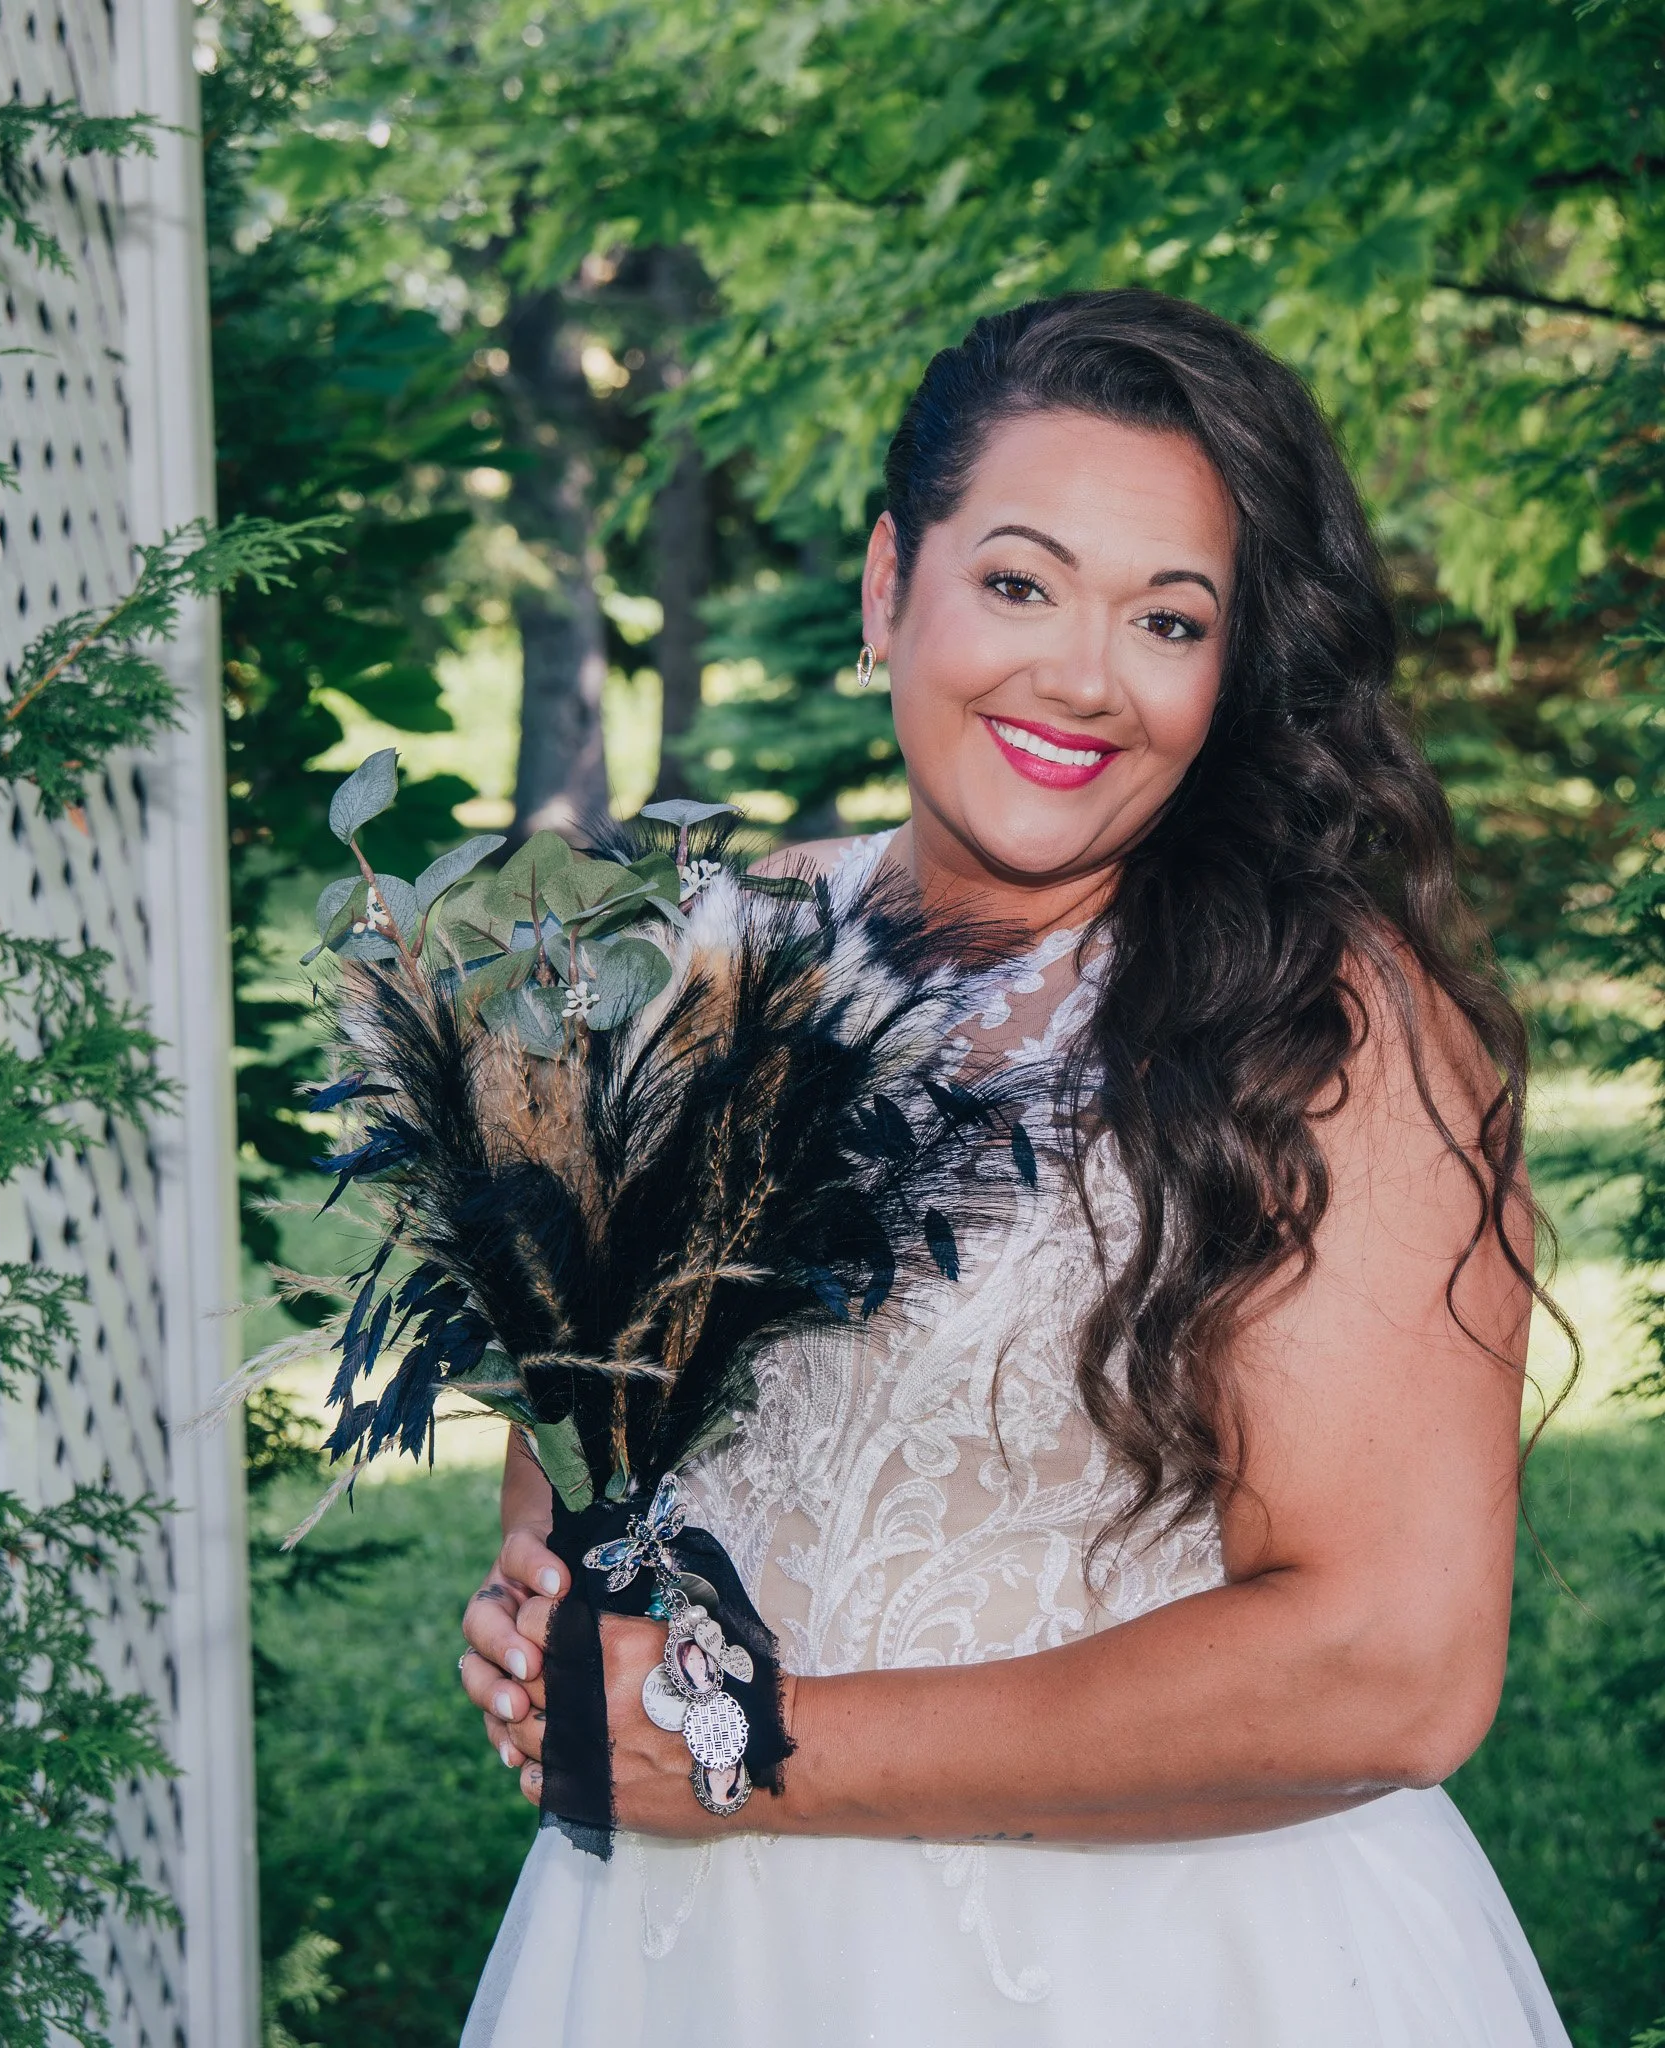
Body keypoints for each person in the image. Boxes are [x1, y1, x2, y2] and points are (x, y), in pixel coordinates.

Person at [454, 289, 1571, 2046]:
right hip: (683, 1963)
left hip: (1156, 1969)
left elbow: (1393, 1668)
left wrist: (762, 1750)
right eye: (1022, 583)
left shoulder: (1320, 1026)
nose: (1083, 676)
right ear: (896, 587)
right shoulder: (702, 965)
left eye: (1170, 618)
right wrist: (548, 1618)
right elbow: (583, 1460)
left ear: (1233, 668)